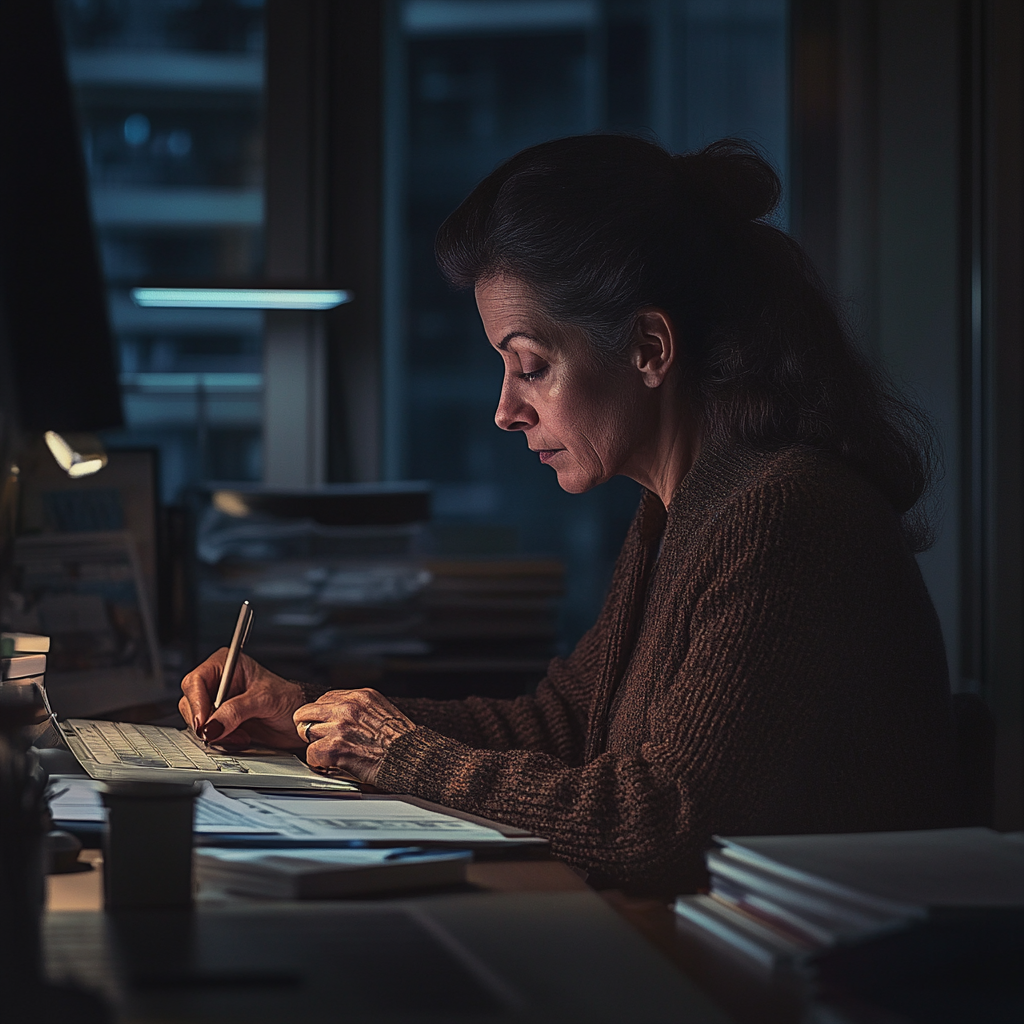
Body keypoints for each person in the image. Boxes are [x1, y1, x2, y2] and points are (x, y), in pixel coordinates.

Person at [180, 135, 957, 896]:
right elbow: (566, 727)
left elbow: (660, 825)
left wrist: (399, 753)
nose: (504, 411)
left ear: (650, 347)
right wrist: (313, 714)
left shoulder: (787, 517)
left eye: (531, 366)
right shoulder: (678, 511)